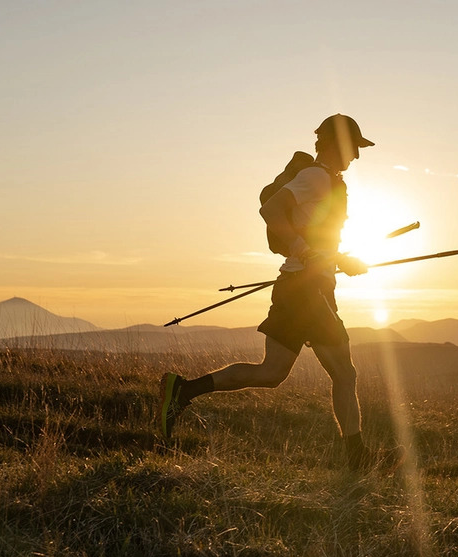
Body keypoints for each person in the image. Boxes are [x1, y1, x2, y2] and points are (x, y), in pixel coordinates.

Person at [159, 114, 394, 472]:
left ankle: (182, 391)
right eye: (354, 148)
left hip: (301, 287)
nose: (356, 157)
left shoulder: (327, 181)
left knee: (271, 373)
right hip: (307, 291)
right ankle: (358, 457)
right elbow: (270, 210)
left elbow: (317, 238)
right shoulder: (316, 177)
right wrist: (305, 252)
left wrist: (340, 260)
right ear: (336, 143)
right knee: (345, 374)